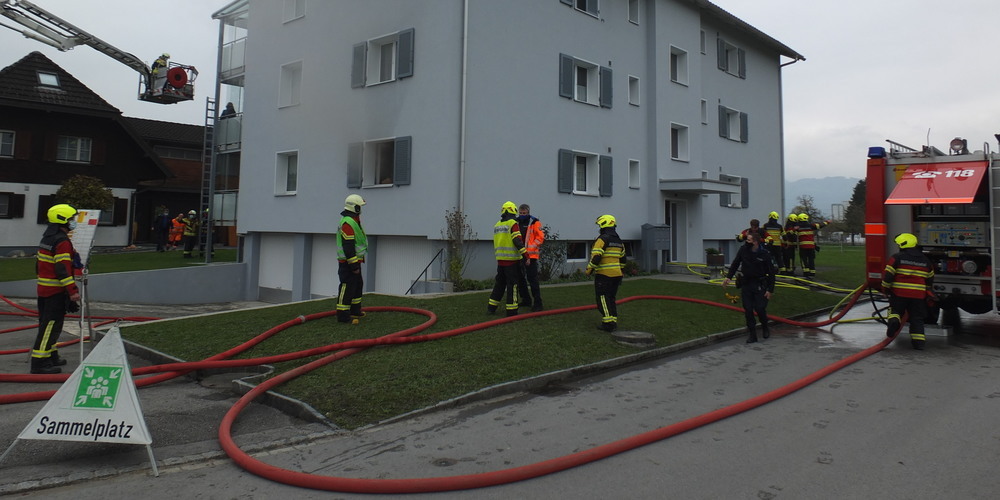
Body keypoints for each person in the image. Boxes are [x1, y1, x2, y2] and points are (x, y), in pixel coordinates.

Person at [31, 204, 81, 374]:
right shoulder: (62, 241)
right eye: (71, 219)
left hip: (43, 290)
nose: (73, 222)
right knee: (50, 327)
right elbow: (62, 269)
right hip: (55, 292)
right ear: (63, 220)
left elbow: (39, 266)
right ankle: (39, 362)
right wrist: (72, 290)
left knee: (47, 325)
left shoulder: (46, 239)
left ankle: (51, 356)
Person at [881, 233, 934, 350]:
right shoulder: (926, 261)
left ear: (902, 244)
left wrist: (885, 288)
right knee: (917, 318)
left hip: (899, 293)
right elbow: (930, 278)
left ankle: (894, 321)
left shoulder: (897, 258)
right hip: (918, 295)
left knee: (894, 310)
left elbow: (888, 276)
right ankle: (919, 342)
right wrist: (928, 291)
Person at [723, 232, 776, 344]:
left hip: (760, 284)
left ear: (755, 242)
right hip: (747, 283)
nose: (746, 242)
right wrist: (729, 277)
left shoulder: (764, 254)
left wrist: (770, 289)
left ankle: (765, 326)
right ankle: (752, 334)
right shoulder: (743, 250)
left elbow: (771, 273)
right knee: (748, 309)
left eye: (749, 240)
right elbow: (735, 263)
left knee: (760, 308)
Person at [586, 214, 626, 332]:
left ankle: (608, 324)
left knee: (602, 299)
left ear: (604, 224)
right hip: (617, 275)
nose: (599, 227)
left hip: (604, 275)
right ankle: (613, 321)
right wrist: (621, 272)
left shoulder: (602, 239)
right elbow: (623, 260)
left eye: (599, 225)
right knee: (611, 298)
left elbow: (597, 257)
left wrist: (589, 270)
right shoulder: (619, 241)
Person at [488, 201, 527, 317]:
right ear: (513, 211)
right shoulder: (513, 223)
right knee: (513, 285)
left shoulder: (497, 225)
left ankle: (491, 308)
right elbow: (517, 241)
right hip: (512, 261)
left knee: (499, 284)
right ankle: (512, 310)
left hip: (500, 260)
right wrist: (526, 255)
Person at [337, 194, 368, 324]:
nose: (361, 209)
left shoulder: (354, 220)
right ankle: (343, 316)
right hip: (348, 264)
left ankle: (355, 310)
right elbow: (348, 247)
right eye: (360, 206)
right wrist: (354, 265)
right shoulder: (348, 223)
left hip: (355, 262)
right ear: (355, 208)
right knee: (347, 288)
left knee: (357, 286)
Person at [516, 203, 544, 312]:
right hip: (519, 255)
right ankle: (526, 299)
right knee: (520, 278)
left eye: (524, 213)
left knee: (532, 279)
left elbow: (540, 237)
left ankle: (538, 303)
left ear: (528, 213)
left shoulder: (534, 222)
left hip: (531, 256)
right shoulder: (516, 222)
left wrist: (532, 247)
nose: (522, 215)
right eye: (521, 213)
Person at [795, 213, 830, 278]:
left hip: (803, 247)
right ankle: (812, 273)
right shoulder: (811, 226)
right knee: (811, 259)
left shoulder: (798, 227)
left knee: (804, 260)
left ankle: (806, 273)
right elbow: (820, 225)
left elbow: (792, 232)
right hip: (811, 247)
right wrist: (827, 222)